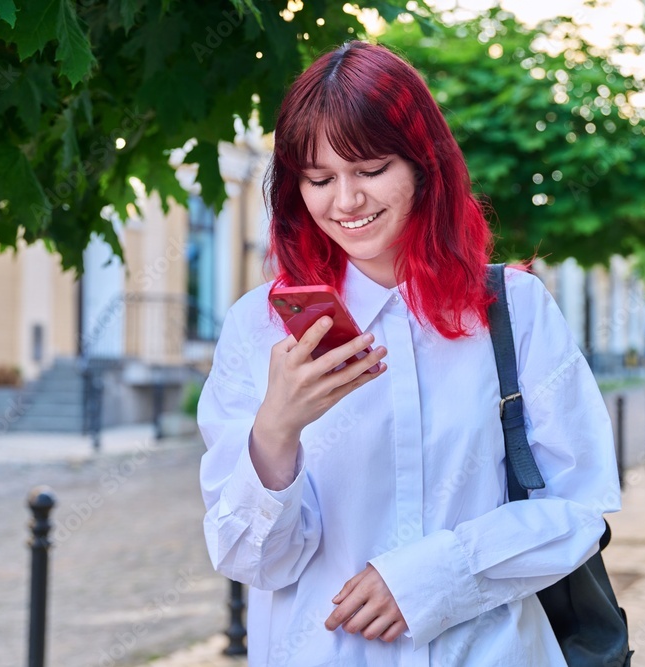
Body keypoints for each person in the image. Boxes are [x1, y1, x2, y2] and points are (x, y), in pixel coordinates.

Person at [198, 41, 621, 666]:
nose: (346, 201)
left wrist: (432, 578)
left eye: (370, 170)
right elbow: (253, 561)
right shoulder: (258, 327)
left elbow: (581, 505)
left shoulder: (514, 308)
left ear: (424, 164)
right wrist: (276, 432)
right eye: (319, 179)